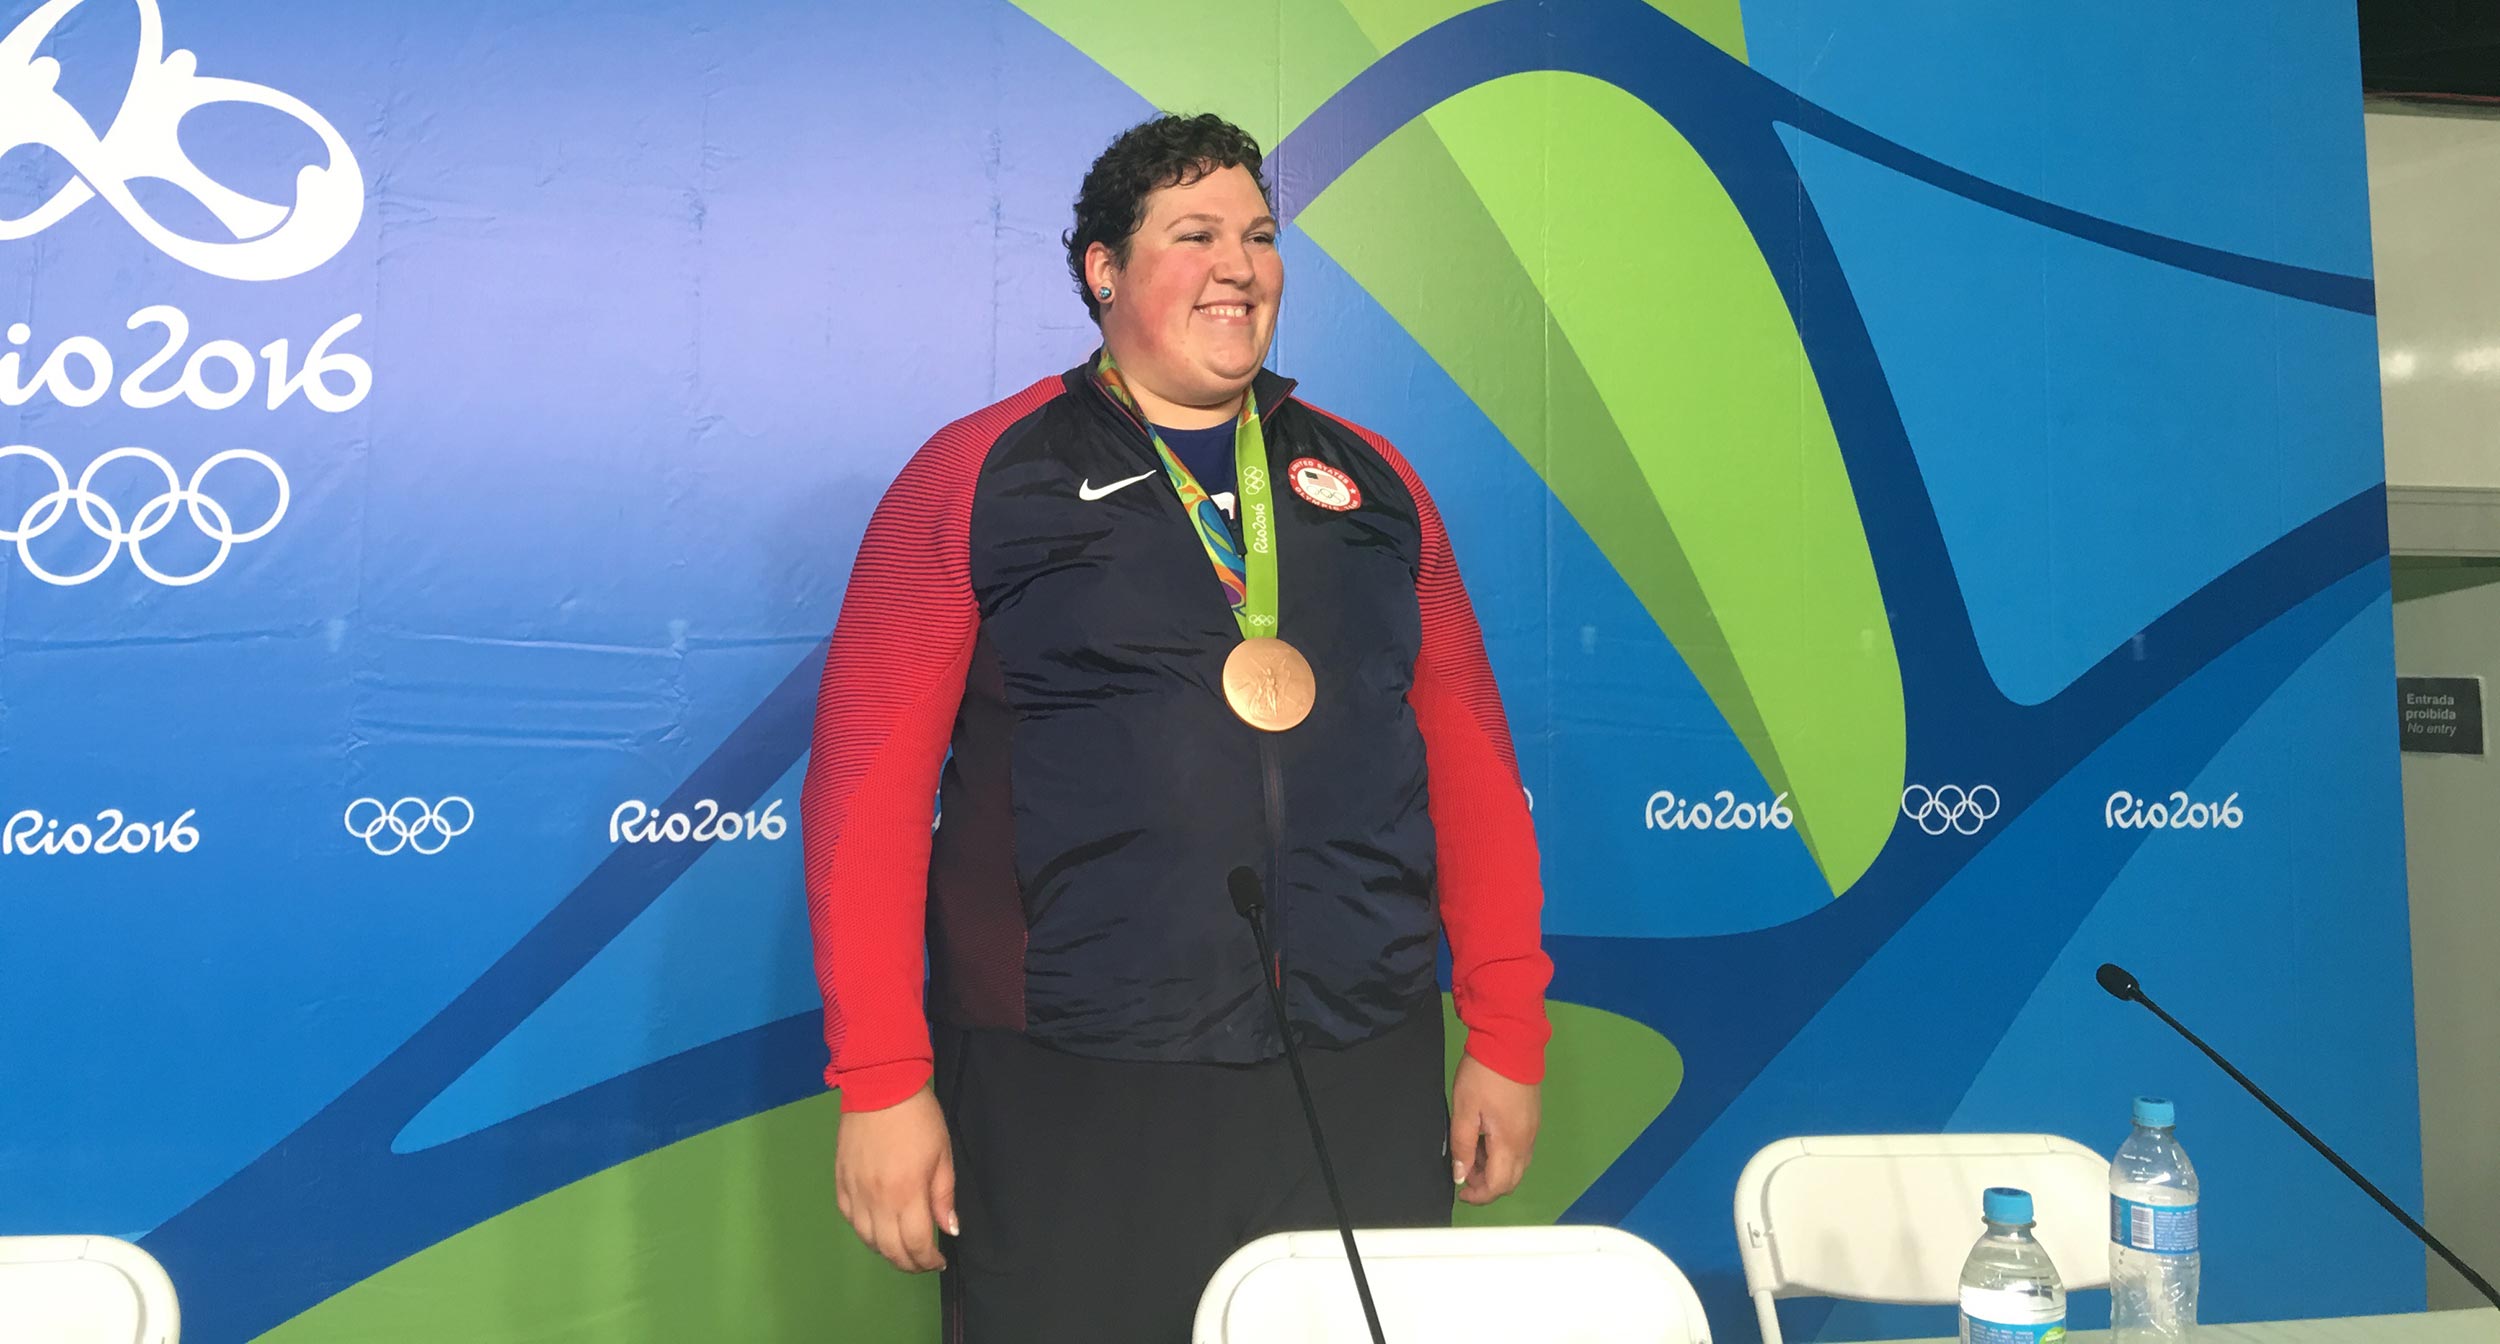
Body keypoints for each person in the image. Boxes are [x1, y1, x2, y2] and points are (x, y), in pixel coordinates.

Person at [800, 111, 1552, 1342]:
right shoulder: (978, 475)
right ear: (1104, 270)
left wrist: (1507, 1033)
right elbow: (862, 801)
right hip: (1076, 1076)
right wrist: (884, 1083)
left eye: (1258, 236)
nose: (1239, 266)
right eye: (1193, 234)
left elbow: (1468, 763)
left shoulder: (1373, 483)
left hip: (1360, 1059)